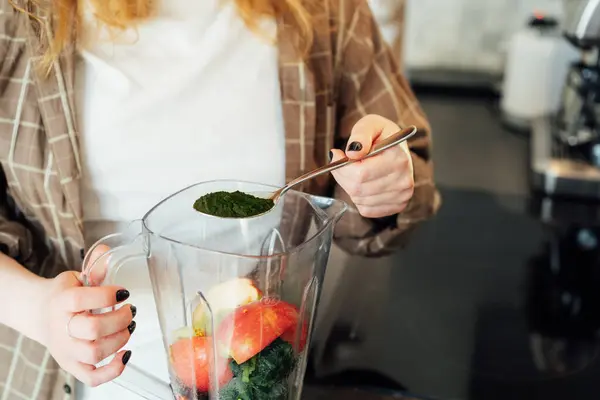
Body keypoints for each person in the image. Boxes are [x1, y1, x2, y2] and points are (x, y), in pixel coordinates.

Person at [0, 0, 440, 398]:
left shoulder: (326, 11)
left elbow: (405, 182)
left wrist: (386, 177)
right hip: (65, 381)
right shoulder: (18, 16)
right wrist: (39, 308)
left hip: (258, 381)